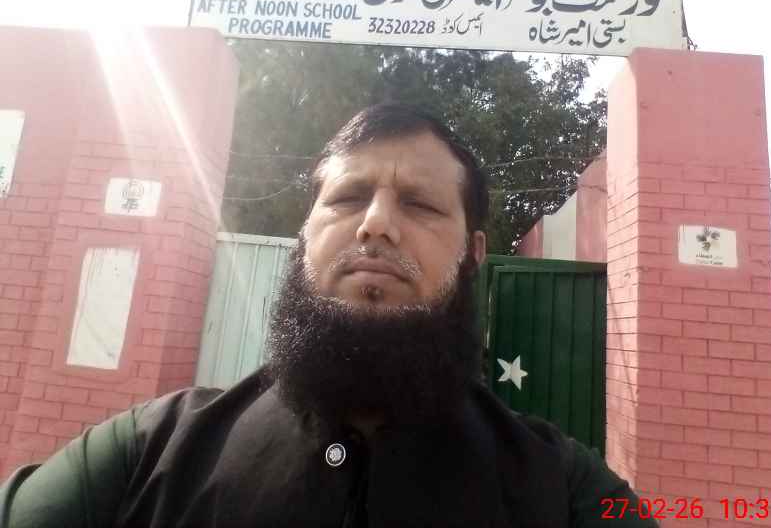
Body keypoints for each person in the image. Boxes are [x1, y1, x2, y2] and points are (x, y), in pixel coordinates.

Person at [0, 103, 657, 527]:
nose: (377, 224)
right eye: (347, 198)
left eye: (421, 205)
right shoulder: (147, 453)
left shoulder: (562, 490)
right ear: (304, 236)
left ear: (473, 256)